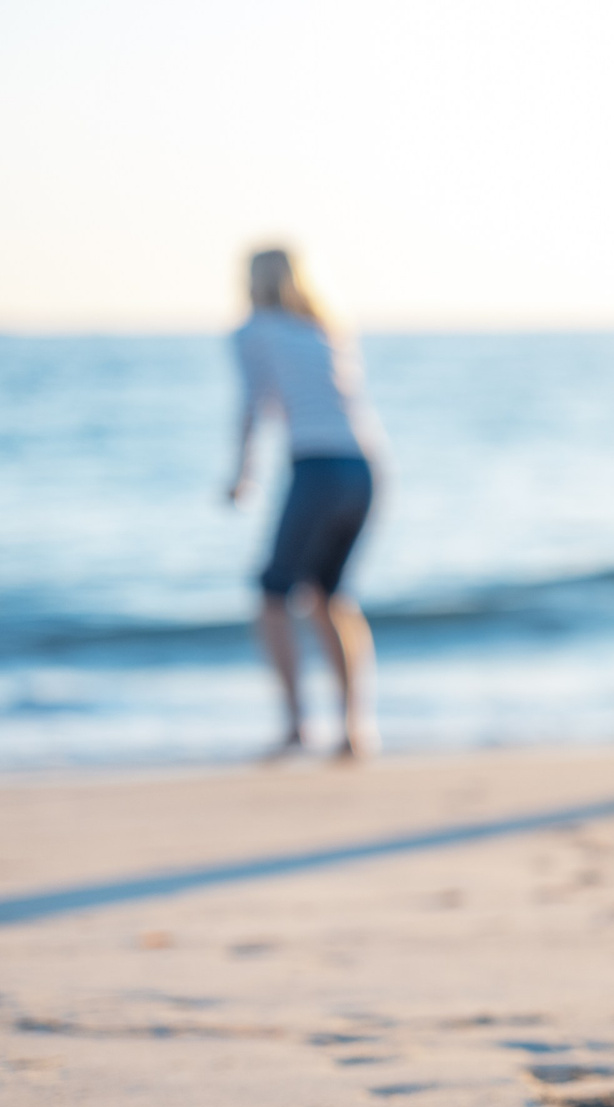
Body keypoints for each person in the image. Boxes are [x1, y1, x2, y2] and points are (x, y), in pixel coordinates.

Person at [226, 246, 383, 760]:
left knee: (274, 594)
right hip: (364, 467)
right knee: (329, 597)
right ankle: (355, 728)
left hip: (316, 467)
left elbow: (254, 402)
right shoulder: (326, 329)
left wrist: (242, 474)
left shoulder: (254, 332)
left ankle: (296, 725)